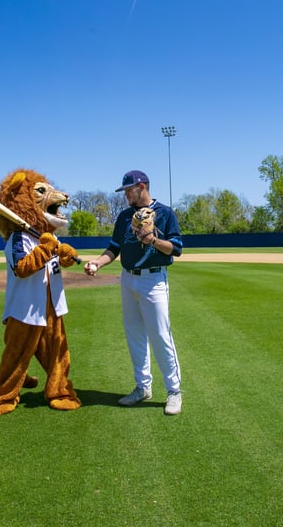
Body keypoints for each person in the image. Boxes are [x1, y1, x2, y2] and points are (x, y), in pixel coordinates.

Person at [84, 170, 184, 415]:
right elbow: (113, 249)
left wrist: (151, 240)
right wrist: (97, 263)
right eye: (125, 190)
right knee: (135, 336)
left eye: (129, 189)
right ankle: (143, 387)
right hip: (128, 280)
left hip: (154, 280)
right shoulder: (124, 216)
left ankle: (174, 391)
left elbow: (176, 249)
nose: (126, 194)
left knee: (160, 336)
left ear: (142, 186)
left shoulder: (164, 213)